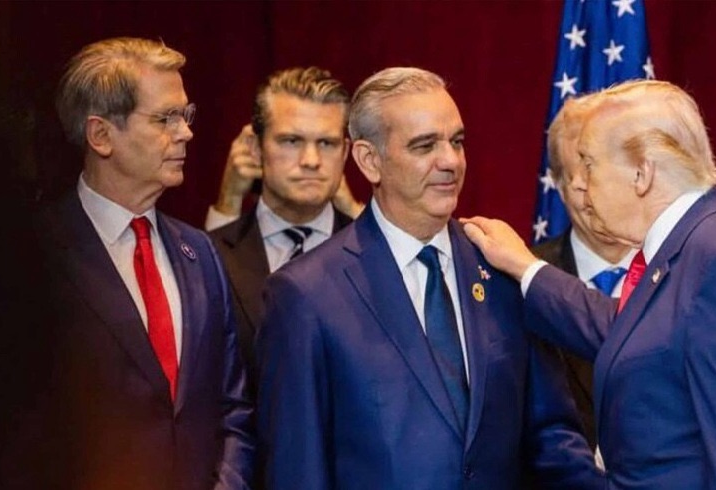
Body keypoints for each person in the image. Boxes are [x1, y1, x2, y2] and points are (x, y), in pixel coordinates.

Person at [463, 80, 716, 489]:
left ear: (642, 173)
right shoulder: (693, 245)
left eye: (589, 163)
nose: (579, 184)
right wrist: (526, 268)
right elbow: (636, 332)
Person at [256, 67, 603, 489]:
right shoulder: (306, 294)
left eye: (456, 142)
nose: (450, 161)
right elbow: (297, 469)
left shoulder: (502, 267)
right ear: (369, 160)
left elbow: (550, 437)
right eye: (425, 146)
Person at [34, 37, 254, 490]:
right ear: (101, 136)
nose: (186, 132)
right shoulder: (32, 254)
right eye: (165, 118)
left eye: (185, 115)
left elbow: (233, 408)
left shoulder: (200, 252)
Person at [207, 67, 355, 392]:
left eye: (327, 143)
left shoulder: (375, 253)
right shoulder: (208, 256)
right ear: (256, 148)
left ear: (346, 152)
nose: (311, 160)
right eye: (291, 140)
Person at [532, 96, 636, 449]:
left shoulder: (680, 274)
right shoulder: (521, 281)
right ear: (560, 186)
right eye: (584, 171)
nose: (596, 191)